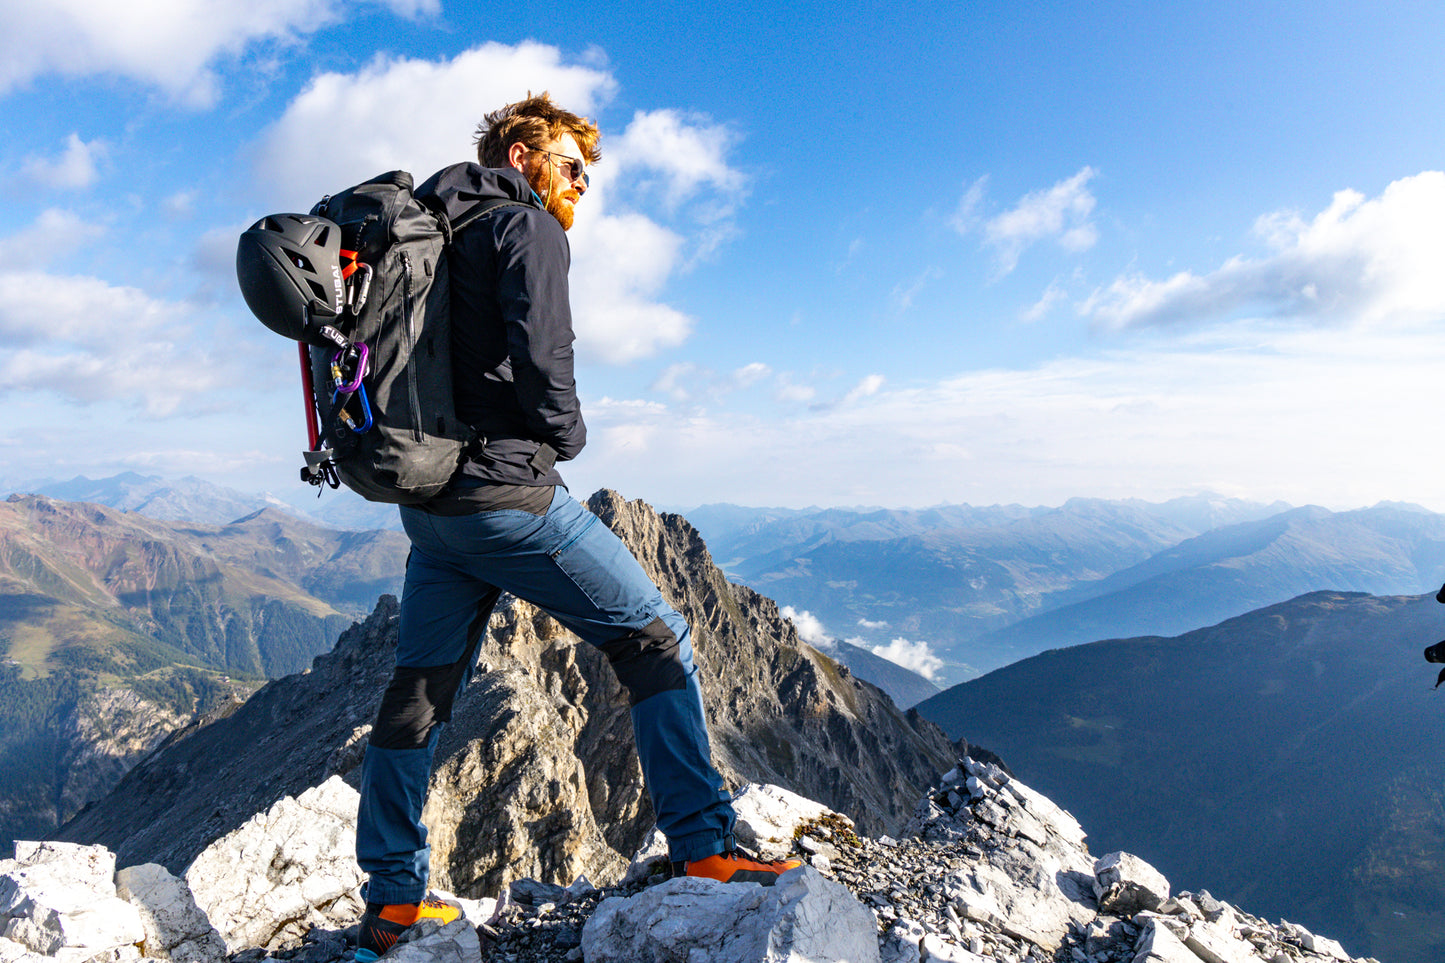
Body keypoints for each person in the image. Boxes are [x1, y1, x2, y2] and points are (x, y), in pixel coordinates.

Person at [353, 93, 800, 960]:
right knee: (657, 639)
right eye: (569, 165)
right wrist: (566, 434)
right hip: (507, 497)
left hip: (429, 508)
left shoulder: (432, 230)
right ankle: (705, 848)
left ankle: (394, 903)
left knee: (418, 693)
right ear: (521, 155)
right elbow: (541, 349)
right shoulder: (525, 227)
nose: (580, 185)